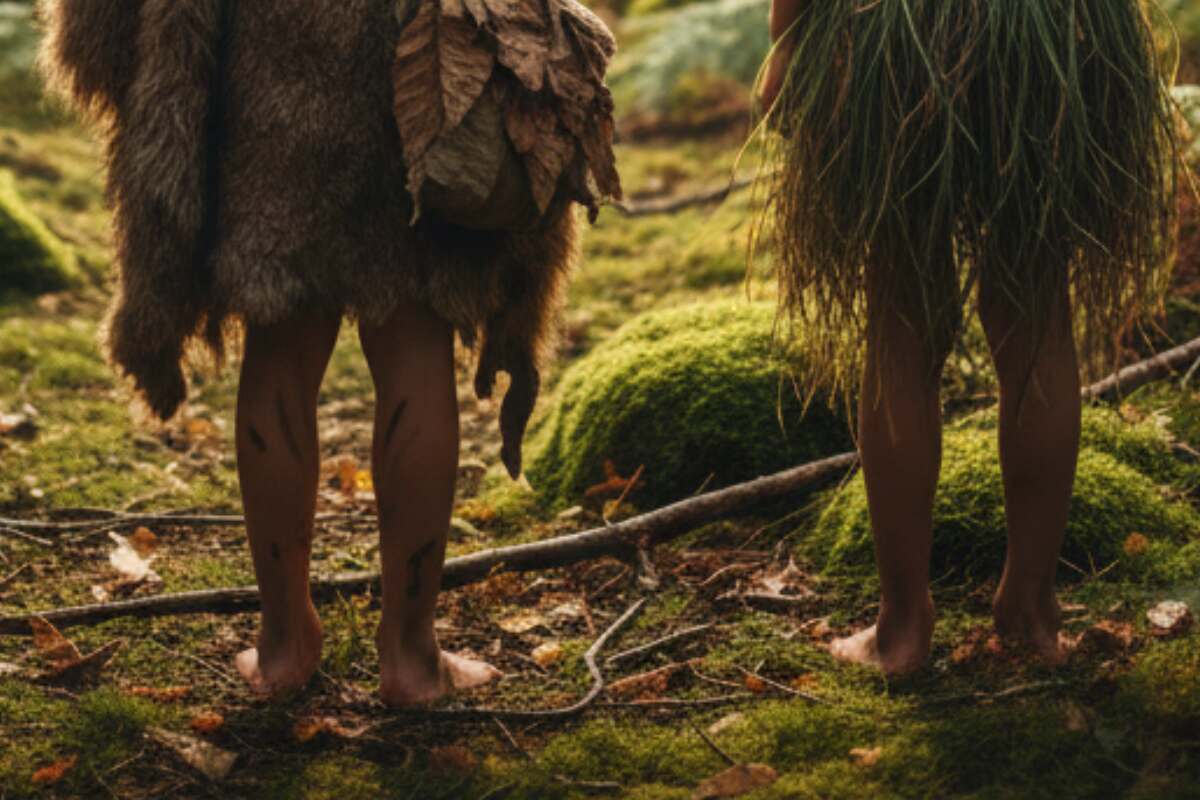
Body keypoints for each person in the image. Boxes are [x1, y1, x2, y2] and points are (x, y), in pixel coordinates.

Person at [37, 0, 618, 703]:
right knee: (416, 348)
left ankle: (284, 646)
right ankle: (410, 656)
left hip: (269, 64)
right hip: (425, 60)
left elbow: (100, 37)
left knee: (280, 352)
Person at [757, 0, 1179, 673]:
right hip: (1048, 32)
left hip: (890, 36)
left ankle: (901, 630)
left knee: (899, 326)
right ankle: (1031, 613)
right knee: (1037, 319)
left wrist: (787, 42)